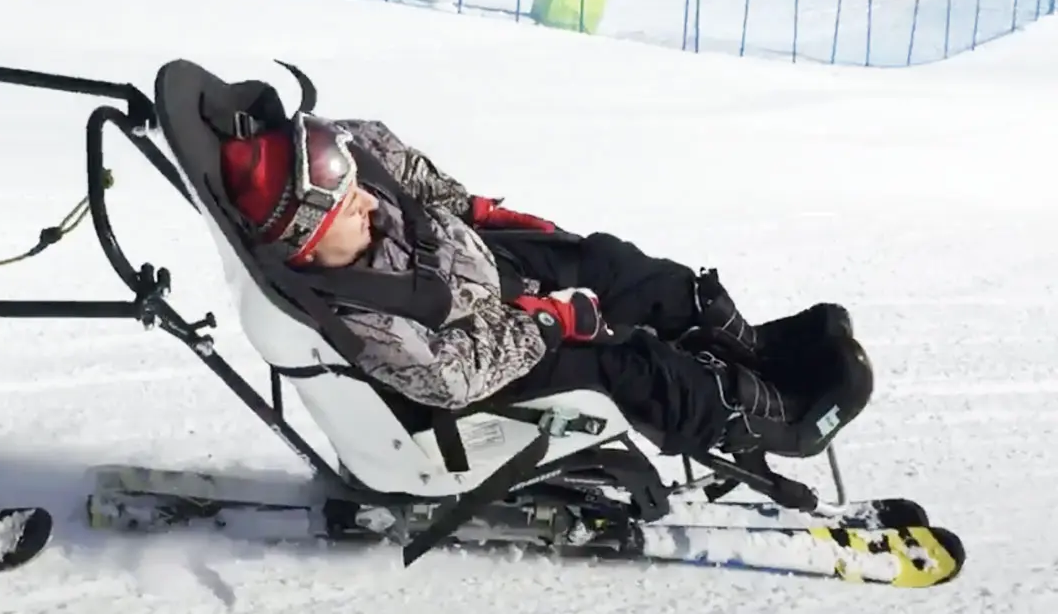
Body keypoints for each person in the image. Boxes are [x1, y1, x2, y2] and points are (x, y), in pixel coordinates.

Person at [218, 113, 861, 463]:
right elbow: (448, 378)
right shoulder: (358, 315)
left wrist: (476, 211)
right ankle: (757, 418)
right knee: (624, 365)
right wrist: (548, 323)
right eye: (343, 205)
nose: (363, 201)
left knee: (613, 264)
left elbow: (388, 156)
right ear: (305, 239)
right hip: (500, 352)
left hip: (485, 265)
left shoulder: (349, 181)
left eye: (354, 184)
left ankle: (750, 348)